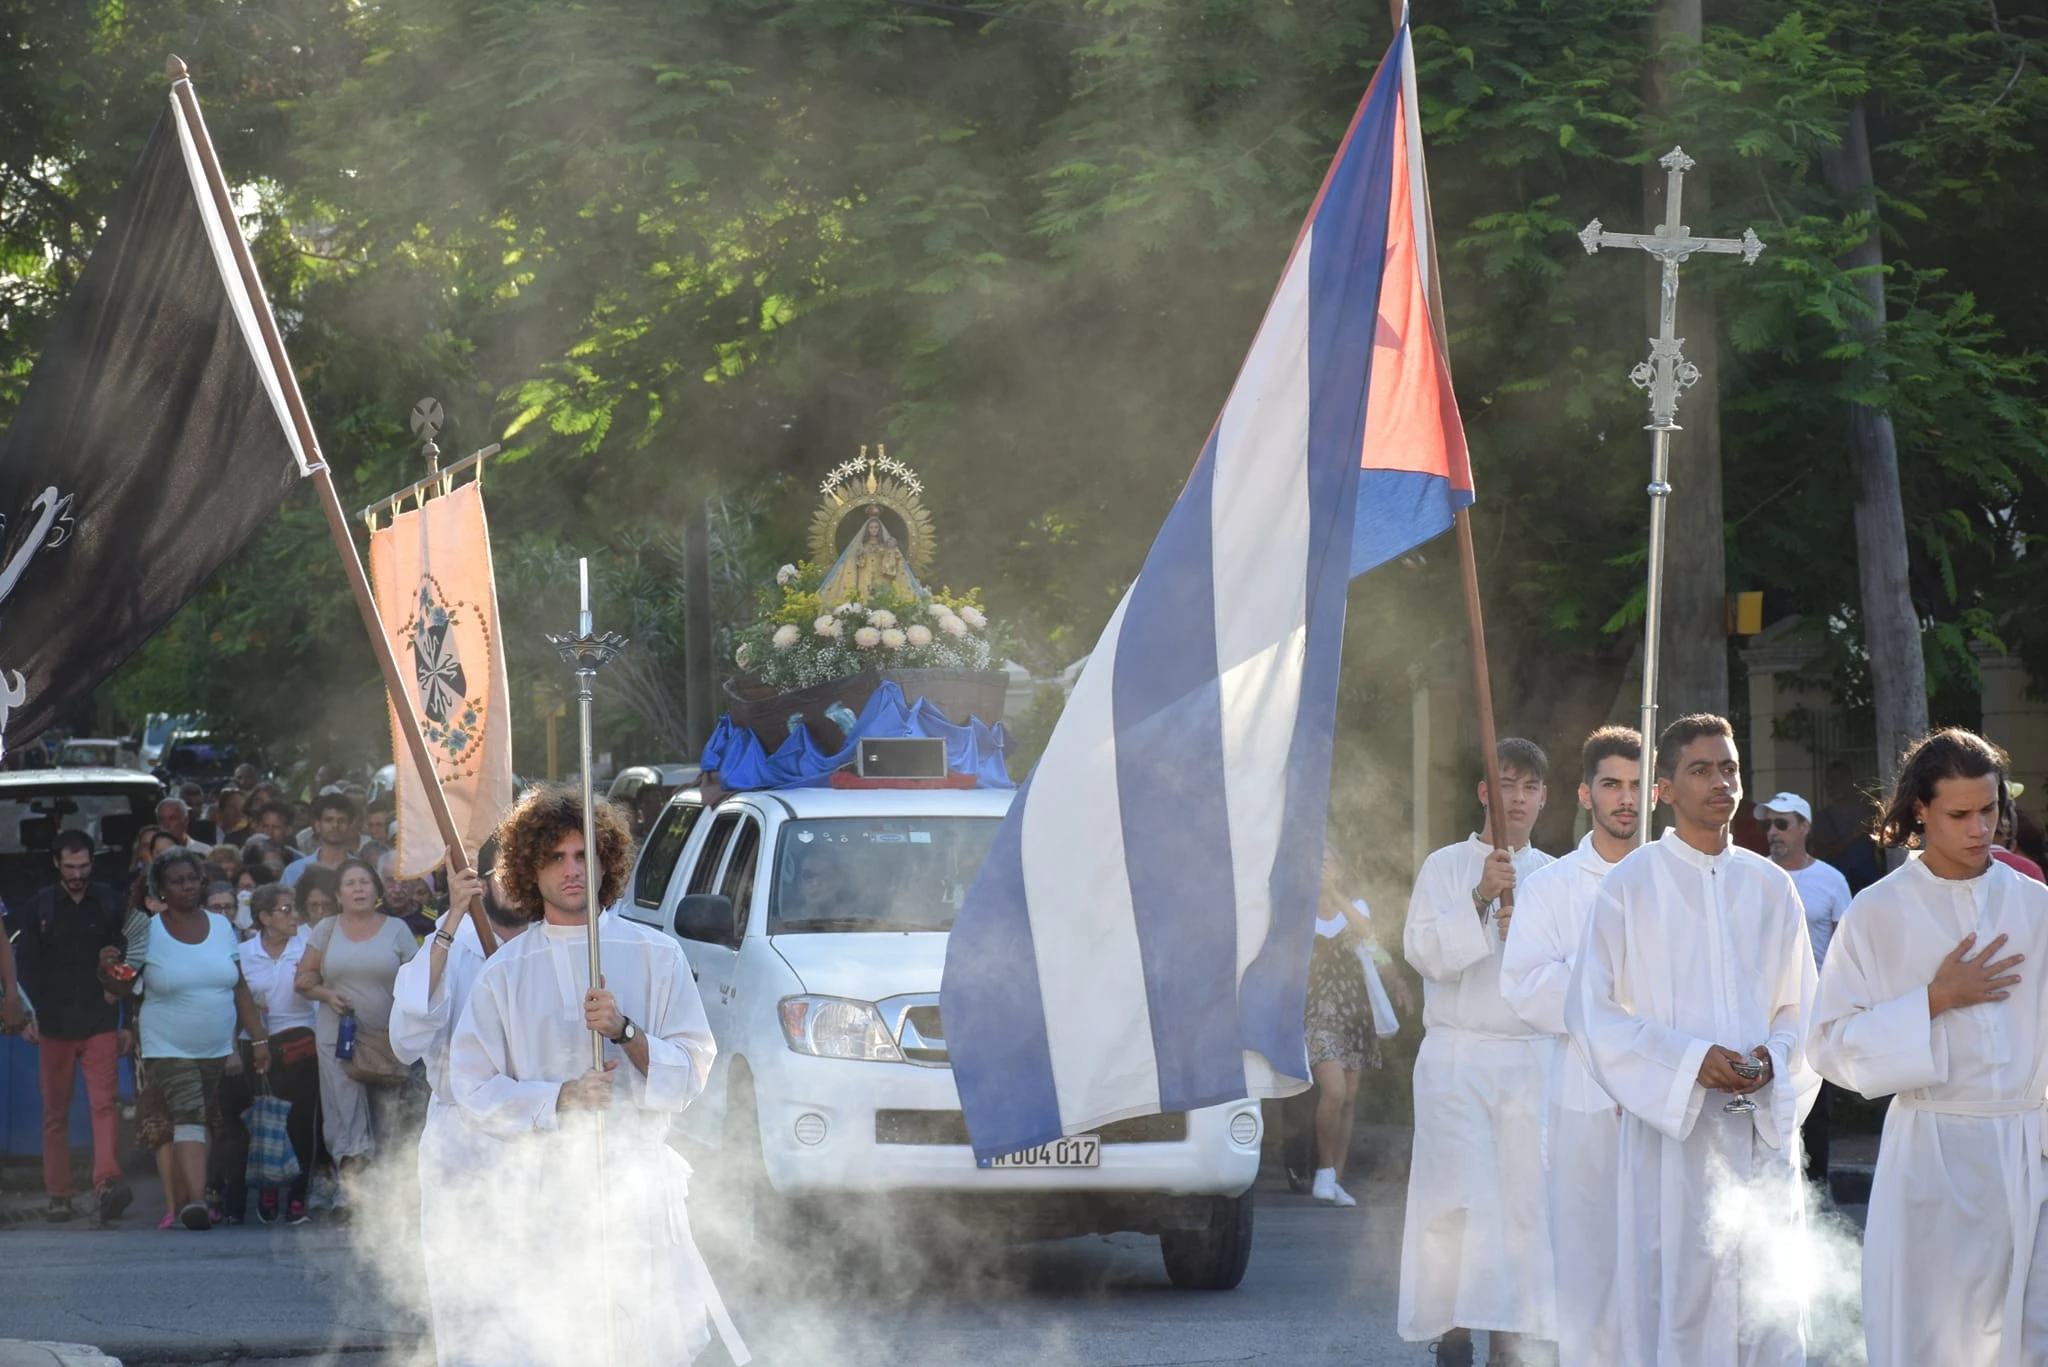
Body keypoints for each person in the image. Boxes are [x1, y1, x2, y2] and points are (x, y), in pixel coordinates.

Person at [448, 785, 746, 1366]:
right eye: (555, 857)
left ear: (606, 863)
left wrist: (626, 1033)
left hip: (635, 1184)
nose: (571, 870)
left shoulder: (656, 954)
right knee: (554, 1342)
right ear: (528, 870)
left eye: (584, 855)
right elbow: (472, 1087)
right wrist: (559, 1097)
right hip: (542, 1189)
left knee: (641, 1342)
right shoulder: (503, 973)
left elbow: (692, 1069)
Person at [1565, 713, 1821, 1363]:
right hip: (1672, 1144)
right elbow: (1593, 1013)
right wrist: (1687, 1061)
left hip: (1758, 1134)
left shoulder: (1772, 885)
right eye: (1702, 769)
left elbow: (1803, 1006)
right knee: (1677, 1307)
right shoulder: (1631, 885)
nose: (1721, 782)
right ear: (1668, 788)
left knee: (1766, 1312)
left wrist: (1773, 1057)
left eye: (1730, 767)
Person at [1808, 730, 2048, 1365]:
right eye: (1960, 815)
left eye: (1990, 810)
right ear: (1920, 810)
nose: (1980, 829)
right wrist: (1933, 999)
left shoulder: (2035, 905)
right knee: (1933, 1336)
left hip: (2029, 1154)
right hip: (1933, 1158)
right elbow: (1828, 1044)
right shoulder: (1878, 912)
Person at [1399, 737, 1557, 1367]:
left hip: (1528, 1061)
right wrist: (1480, 897)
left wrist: (1531, 942)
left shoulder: (1555, 874)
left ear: (1544, 798)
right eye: (1508, 785)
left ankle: (1509, 1340)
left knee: (1521, 1205)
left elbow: (1574, 978)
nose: (1517, 799)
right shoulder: (1444, 867)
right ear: (1485, 791)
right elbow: (1425, 955)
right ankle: (1455, 1330)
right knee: (1460, 1200)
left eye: (1530, 788)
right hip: (1458, 1059)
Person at [1498, 725, 1640, 1367]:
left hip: (1667, 1100)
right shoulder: (1550, 888)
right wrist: (1603, 974)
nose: (1624, 798)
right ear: (1585, 794)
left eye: (1637, 786)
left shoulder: (1677, 880)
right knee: (1586, 1269)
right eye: (1611, 784)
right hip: (1583, 1098)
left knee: (1658, 1260)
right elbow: (1525, 990)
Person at [392, 843, 535, 1365]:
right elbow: (406, 1037)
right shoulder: (449, 942)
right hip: (464, 1139)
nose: (516, 885)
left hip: (544, 1137)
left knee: (541, 1289)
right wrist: (452, 918)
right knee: (463, 1293)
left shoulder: (563, 939)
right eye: (506, 873)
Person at [100, 847, 271, 1230]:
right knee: (190, 1112)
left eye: (192, 879)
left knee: (203, 1120)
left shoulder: (222, 927)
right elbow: (122, 986)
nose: (187, 887)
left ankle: (185, 1202)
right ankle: (195, 1202)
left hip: (216, 1046)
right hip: (166, 1044)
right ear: (160, 889)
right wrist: (106, 969)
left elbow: (239, 986)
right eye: (177, 882)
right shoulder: (146, 929)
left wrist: (258, 1041)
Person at [6, 830, 133, 1223]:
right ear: (57, 864)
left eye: (84, 866)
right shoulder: (39, 905)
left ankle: (107, 1184)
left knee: (104, 1105)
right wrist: (29, 1016)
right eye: (71, 866)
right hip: (54, 1023)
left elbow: (129, 965)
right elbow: (23, 966)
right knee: (55, 1114)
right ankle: (59, 1195)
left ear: (92, 863)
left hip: (99, 1018)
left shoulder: (110, 901)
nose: (77, 873)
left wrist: (127, 1019)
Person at [294, 855, 418, 1216]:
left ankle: (391, 1196)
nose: (359, 889)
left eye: (365, 882)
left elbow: (418, 979)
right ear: (338, 894)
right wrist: (328, 995)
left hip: (387, 1037)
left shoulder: (396, 930)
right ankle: (351, 1194)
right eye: (350, 883)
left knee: (389, 1115)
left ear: (376, 890)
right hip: (339, 1036)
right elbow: (303, 980)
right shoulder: (326, 929)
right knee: (344, 1113)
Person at [1756, 790, 1854, 1189]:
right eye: (1769, 825)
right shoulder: (1754, 874)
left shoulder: (1831, 881)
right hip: (1763, 1010)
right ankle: (1767, 1192)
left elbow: (1846, 951)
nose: (1773, 832)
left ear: (1804, 828)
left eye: (1783, 824)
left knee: (1815, 1107)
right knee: (1763, 1100)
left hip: (1814, 1009)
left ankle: (1817, 1193)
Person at [222, 884, 319, 1225]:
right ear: (264, 917)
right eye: (285, 910)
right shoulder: (244, 952)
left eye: (295, 909)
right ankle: (268, 1187)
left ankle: (296, 1194)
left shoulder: (308, 944)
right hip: (257, 1043)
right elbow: (234, 999)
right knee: (264, 1121)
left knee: (300, 1123)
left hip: (300, 1042)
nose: (294, 916)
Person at [1303, 853, 1380, 1208]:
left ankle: (1335, 1178)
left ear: (1341, 869)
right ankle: (1322, 1169)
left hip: (1355, 1011)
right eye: (1319, 861)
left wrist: (1335, 896)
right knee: (1333, 1091)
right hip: (1317, 1010)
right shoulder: (1301, 909)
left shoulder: (1356, 906)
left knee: (1348, 1099)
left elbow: (1366, 933)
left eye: (1331, 861)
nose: (1325, 867)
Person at [283, 793, 362, 887]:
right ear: (317, 826)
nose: (335, 826)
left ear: (349, 827)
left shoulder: (362, 870)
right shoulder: (295, 870)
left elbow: (377, 901)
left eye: (341, 821)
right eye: (329, 820)